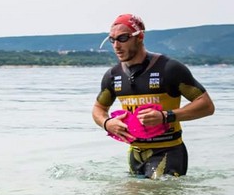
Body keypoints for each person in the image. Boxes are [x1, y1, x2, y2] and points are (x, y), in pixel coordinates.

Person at [92, 14, 215, 178]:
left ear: (140, 37)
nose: (116, 45)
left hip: (169, 152)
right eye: (112, 40)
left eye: (123, 38)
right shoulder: (113, 75)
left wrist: (166, 116)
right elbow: (99, 108)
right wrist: (107, 123)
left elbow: (206, 105)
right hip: (135, 154)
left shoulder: (169, 68)